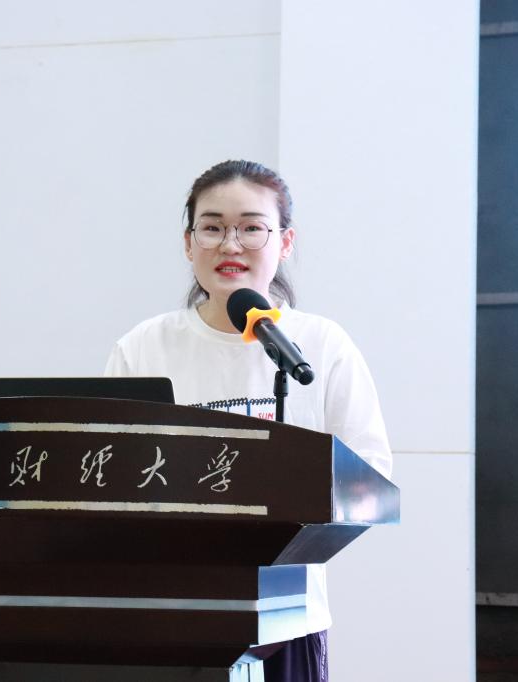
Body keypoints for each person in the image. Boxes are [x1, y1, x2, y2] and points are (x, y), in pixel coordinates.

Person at [104, 159, 391, 681]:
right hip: (167, 611)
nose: (230, 245)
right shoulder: (144, 346)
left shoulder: (321, 345)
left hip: (285, 616)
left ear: (285, 242)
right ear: (188, 243)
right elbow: (108, 475)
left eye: (252, 228)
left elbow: (370, 475)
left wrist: (290, 539)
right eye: (212, 228)